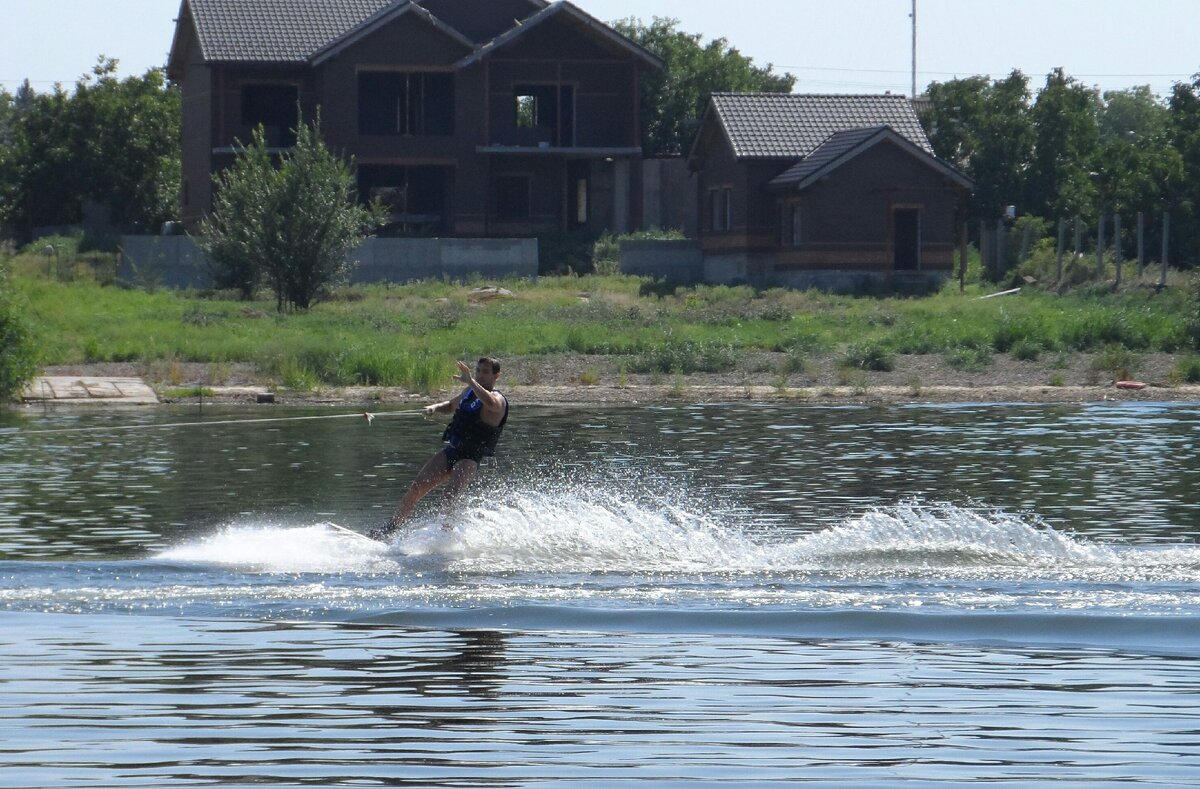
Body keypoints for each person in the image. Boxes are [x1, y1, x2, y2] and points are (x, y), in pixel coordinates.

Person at [370, 357, 508, 541]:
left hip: (470, 457)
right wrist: (433, 408)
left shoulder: (498, 399)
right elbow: (450, 406)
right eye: (478, 371)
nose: (480, 375)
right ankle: (391, 530)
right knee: (416, 488)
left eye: (485, 372)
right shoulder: (469, 391)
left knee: (448, 497)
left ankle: (446, 539)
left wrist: (471, 381)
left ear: (496, 376)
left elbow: (490, 403)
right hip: (452, 450)